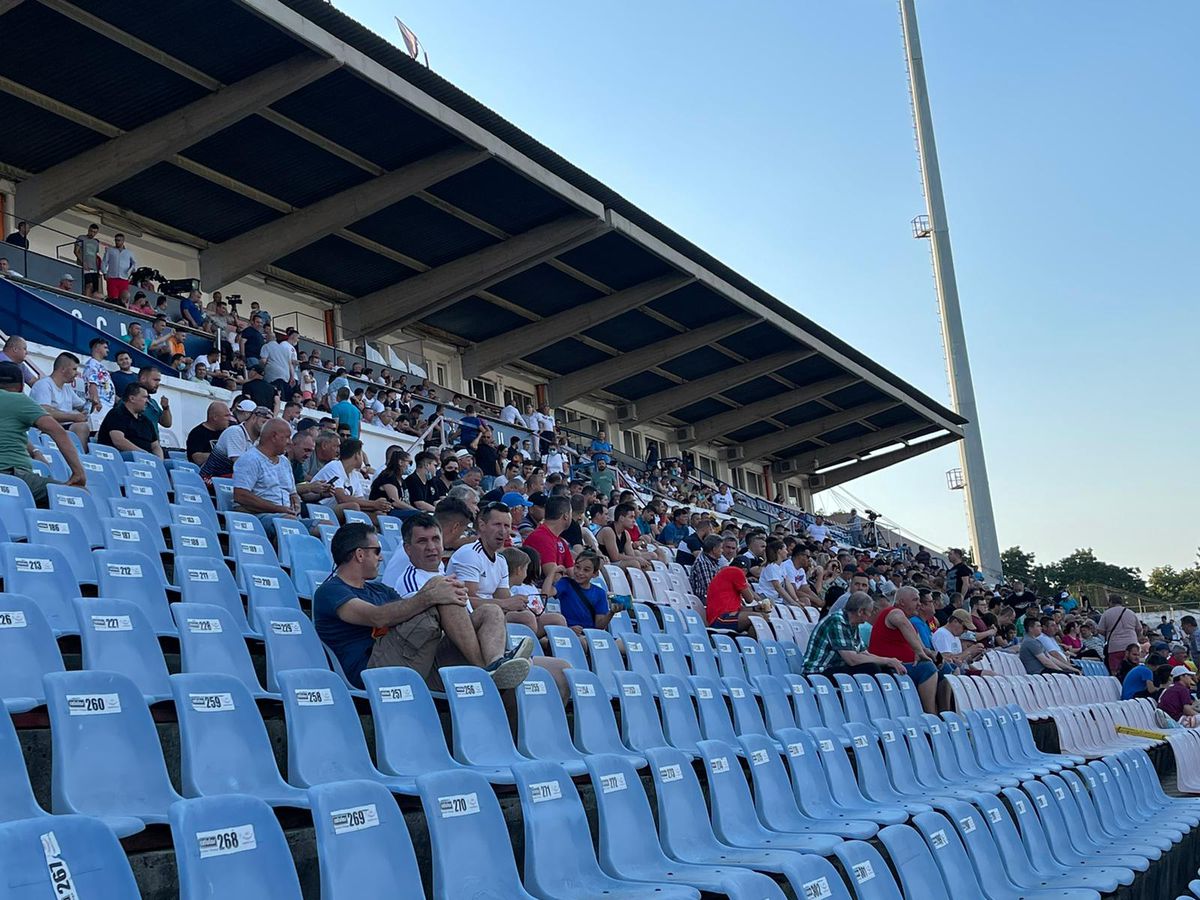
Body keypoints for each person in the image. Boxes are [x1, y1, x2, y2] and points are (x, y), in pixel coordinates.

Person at [314, 519, 533, 691]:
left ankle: (495, 662)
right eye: (377, 551)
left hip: (412, 658)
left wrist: (435, 595)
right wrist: (430, 594)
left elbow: (410, 617)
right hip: (373, 669)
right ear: (360, 554)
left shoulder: (380, 590)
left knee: (491, 611)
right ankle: (486, 668)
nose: (381, 558)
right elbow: (377, 617)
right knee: (440, 585)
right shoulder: (331, 591)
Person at [448, 502, 568, 639]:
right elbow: (467, 602)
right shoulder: (470, 554)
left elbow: (503, 597)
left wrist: (518, 603)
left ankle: (530, 650)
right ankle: (520, 653)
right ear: (482, 525)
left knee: (556, 619)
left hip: (494, 613)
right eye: (497, 524)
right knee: (526, 618)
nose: (502, 531)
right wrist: (505, 604)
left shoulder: (501, 561)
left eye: (506, 526)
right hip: (470, 619)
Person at [0, 361, 86, 502]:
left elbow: (10, 430)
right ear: (21, 386)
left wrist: (35, 452)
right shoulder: (19, 400)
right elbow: (58, 432)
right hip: (11, 475)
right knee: (80, 494)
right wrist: (78, 472)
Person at [867, 586, 940, 714]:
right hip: (889, 668)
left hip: (905, 666)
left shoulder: (909, 623)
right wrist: (920, 653)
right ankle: (930, 715)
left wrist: (934, 655)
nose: (919, 604)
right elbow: (902, 623)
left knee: (945, 667)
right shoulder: (894, 612)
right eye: (915, 600)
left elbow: (923, 648)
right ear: (901, 602)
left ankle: (946, 713)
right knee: (927, 668)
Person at [801, 593, 906, 677]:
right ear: (861, 612)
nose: (871, 616)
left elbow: (864, 654)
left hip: (833, 668)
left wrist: (890, 662)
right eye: (869, 612)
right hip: (817, 672)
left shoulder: (852, 625)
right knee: (871, 669)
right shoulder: (837, 621)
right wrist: (887, 660)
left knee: (886, 669)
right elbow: (852, 659)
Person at [231, 419, 303, 534]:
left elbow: (293, 493)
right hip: (258, 517)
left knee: (325, 525)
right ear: (274, 436)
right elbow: (240, 495)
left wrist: (296, 504)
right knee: (288, 524)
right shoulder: (250, 459)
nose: (290, 442)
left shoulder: (285, 462)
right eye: (287, 437)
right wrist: (278, 509)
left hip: (289, 517)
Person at [312, 438, 394, 522]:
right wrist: (374, 504)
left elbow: (360, 500)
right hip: (321, 509)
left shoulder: (354, 474)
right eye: (361, 454)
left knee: (379, 515)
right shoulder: (334, 467)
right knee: (353, 507)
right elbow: (342, 499)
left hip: (338, 510)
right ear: (357, 455)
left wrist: (379, 506)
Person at [29, 352, 91, 449]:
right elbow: (44, 412)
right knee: (81, 427)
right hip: (45, 430)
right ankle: (80, 460)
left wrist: (91, 403)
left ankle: (80, 458)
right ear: (63, 369)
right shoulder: (43, 385)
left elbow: (82, 406)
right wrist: (74, 417)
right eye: (74, 369)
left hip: (62, 429)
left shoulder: (67, 388)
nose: (77, 373)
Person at [553, 549, 624, 633]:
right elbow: (545, 594)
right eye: (577, 567)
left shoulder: (599, 593)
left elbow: (599, 625)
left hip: (590, 635)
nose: (580, 572)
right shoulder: (565, 583)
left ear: (595, 574)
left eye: (586, 570)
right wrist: (552, 572)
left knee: (621, 644)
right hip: (569, 632)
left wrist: (611, 612)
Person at [199, 402, 270, 480]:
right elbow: (241, 467)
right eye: (264, 422)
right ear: (253, 418)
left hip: (229, 483)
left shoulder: (258, 442)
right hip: (210, 481)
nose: (266, 428)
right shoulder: (235, 432)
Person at [704, 556, 770, 632]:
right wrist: (746, 585)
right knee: (757, 618)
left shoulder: (726, 573)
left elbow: (738, 609)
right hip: (719, 618)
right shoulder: (736, 572)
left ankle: (750, 643)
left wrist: (755, 608)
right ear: (745, 570)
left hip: (723, 616)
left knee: (760, 619)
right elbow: (749, 599)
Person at [97, 382, 161, 457]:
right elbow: (119, 441)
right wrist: (144, 455)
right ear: (132, 398)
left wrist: (159, 461)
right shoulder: (116, 414)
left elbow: (155, 446)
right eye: (145, 397)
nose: (147, 401)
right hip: (121, 461)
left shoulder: (147, 422)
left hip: (145, 462)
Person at [1096, 594, 1139, 676]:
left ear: (1111, 602)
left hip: (1115, 647)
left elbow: (1100, 630)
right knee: (1133, 670)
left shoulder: (1106, 613)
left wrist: (1109, 634)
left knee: (1115, 671)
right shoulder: (1131, 613)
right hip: (1131, 645)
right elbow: (1139, 628)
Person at [186, 401, 232, 467]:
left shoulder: (226, 433)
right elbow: (197, 458)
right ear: (215, 417)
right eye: (226, 416)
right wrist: (222, 456)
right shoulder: (197, 433)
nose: (229, 419)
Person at [136, 367, 172, 443]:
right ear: (143, 379)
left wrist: (166, 408)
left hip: (154, 447)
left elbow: (167, 424)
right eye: (155, 380)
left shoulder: (153, 402)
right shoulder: (130, 400)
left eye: (159, 381)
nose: (158, 384)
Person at [81, 337, 114, 416]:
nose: (108, 350)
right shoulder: (92, 364)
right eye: (105, 347)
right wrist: (96, 401)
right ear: (97, 348)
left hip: (105, 406)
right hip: (98, 407)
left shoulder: (98, 365)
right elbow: (92, 383)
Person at [100, 233, 136, 300]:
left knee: (123, 298)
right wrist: (104, 273)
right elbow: (104, 262)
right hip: (112, 277)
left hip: (124, 278)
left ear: (123, 241)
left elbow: (134, 264)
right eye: (116, 240)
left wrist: (129, 272)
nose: (117, 242)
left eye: (119, 240)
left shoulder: (129, 253)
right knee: (113, 297)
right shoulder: (110, 250)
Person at [73, 223, 103, 295]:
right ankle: (86, 299)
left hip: (94, 268)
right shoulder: (81, 237)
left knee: (95, 288)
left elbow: (95, 256)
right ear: (88, 230)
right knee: (88, 284)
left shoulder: (96, 242)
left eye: (94, 232)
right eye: (91, 231)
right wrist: (83, 262)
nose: (92, 233)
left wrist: (98, 269)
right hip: (85, 267)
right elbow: (76, 251)